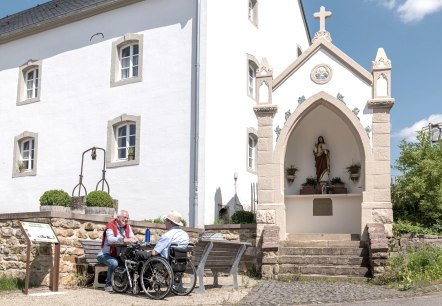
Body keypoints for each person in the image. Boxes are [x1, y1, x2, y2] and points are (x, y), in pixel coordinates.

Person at [97, 210, 138, 292]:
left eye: (127, 218)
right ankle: (108, 285)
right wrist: (124, 239)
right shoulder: (110, 225)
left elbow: (132, 237)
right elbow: (110, 239)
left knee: (130, 263)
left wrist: (135, 239)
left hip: (117, 255)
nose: (126, 219)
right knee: (114, 263)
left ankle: (126, 286)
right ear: (118, 217)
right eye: (124, 217)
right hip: (105, 255)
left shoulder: (128, 227)